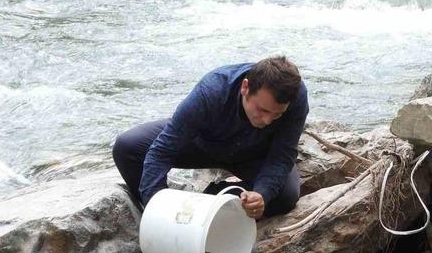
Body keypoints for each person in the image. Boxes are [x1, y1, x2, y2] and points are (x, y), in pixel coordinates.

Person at [112, 56, 308, 220]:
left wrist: (261, 194)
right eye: (262, 110)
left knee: (285, 196)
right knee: (127, 147)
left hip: (255, 154)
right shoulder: (212, 90)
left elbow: (282, 156)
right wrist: (160, 209)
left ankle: (215, 198)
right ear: (245, 88)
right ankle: (157, 209)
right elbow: (163, 151)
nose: (267, 120)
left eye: (277, 115)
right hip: (202, 144)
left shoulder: (296, 97)